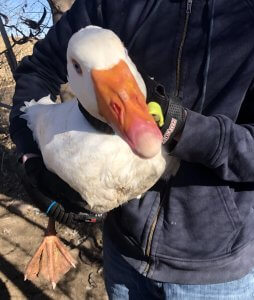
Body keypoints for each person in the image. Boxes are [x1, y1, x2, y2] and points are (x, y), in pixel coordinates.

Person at [9, 0, 254, 299]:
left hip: (214, 272)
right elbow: (38, 70)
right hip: (123, 254)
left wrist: (183, 129)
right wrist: (31, 156)